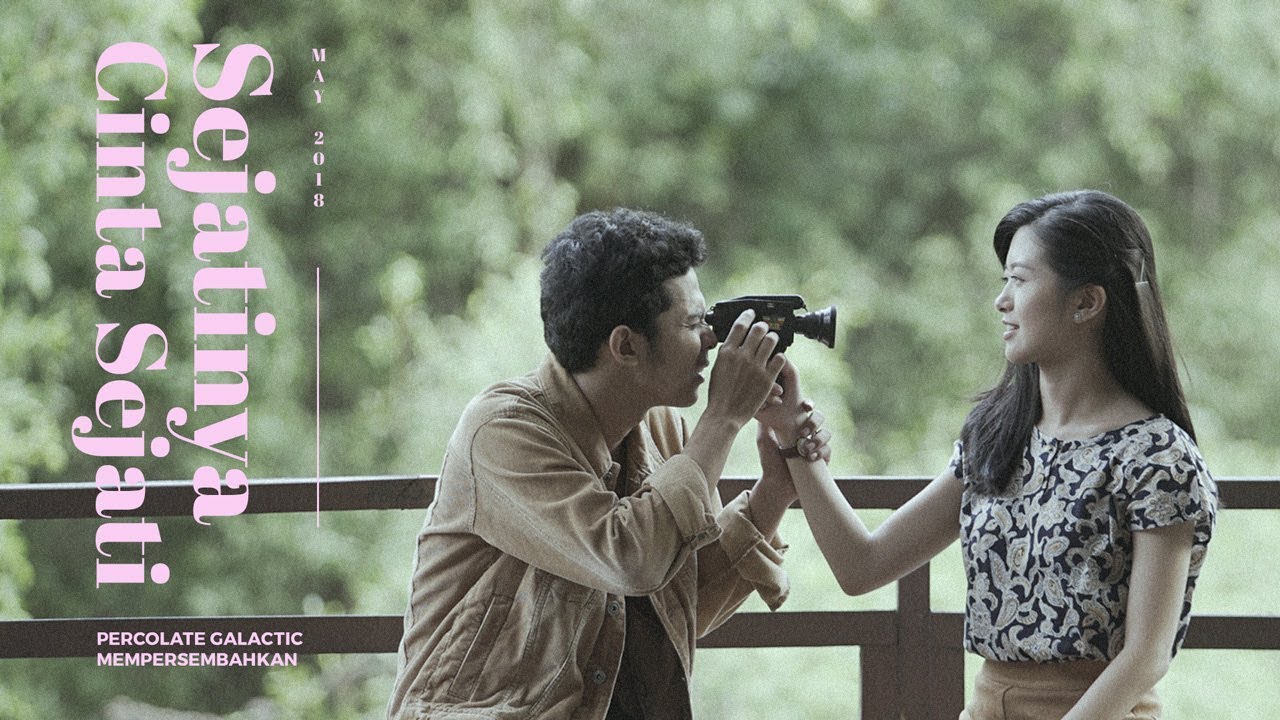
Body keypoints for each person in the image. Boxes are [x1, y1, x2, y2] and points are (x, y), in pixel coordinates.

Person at [771, 190, 1218, 719]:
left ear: (1086, 302)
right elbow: (861, 566)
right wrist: (792, 438)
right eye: (1004, 280)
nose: (1001, 301)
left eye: (1020, 280)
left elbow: (1145, 657)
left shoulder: (1157, 457)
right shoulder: (999, 436)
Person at [386, 208, 826, 720]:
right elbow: (628, 558)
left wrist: (776, 488)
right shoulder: (503, 432)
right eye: (692, 323)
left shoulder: (662, 429)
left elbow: (678, 603)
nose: (711, 339)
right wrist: (724, 418)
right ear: (626, 346)